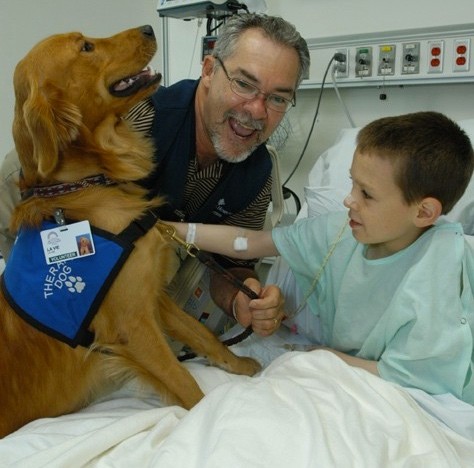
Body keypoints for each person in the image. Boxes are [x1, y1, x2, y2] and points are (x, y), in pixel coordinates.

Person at [0, 13, 310, 336]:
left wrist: (241, 299)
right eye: (244, 84)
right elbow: (56, 185)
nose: (257, 111)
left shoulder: (256, 178)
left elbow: (231, 264)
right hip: (33, 194)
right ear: (208, 71)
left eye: (277, 98)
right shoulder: (143, 117)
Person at [166, 111, 474, 403]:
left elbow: (415, 377)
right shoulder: (341, 231)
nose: (348, 199)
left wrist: (319, 357)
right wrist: (170, 229)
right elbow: (247, 242)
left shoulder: (440, 271)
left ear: (424, 212)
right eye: (352, 182)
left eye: (366, 194)